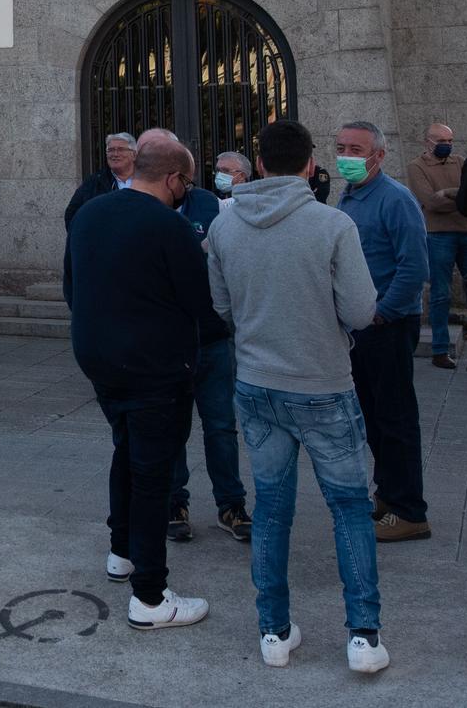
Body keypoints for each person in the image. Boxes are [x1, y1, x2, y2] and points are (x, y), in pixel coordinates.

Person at [208, 119, 388, 673]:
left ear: (259, 164)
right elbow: (360, 311)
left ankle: (274, 632)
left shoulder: (224, 226)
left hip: (257, 384)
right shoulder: (331, 224)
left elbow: (221, 308)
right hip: (322, 385)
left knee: (270, 510)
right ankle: (362, 636)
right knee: (351, 509)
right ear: (311, 165)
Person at [65, 137, 211, 630]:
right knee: (153, 474)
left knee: (125, 451)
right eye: (185, 184)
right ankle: (150, 597)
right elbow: (199, 302)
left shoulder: (89, 212)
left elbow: (71, 286)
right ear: (172, 179)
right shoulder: (170, 226)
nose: (183, 193)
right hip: (153, 367)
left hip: (101, 359)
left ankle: (120, 551)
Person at [331, 120, 431, 543]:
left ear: (379, 155)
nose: (347, 156)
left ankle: (410, 511)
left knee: (394, 417)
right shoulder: (348, 197)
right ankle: (388, 496)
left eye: (357, 149)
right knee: (372, 417)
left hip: (386, 325)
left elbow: (414, 267)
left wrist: (382, 312)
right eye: (342, 147)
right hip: (359, 326)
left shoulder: (396, 199)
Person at [407, 122, 467, 369]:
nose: (446, 145)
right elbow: (429, 202)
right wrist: (460, 199)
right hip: (438, 235)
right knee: (440, 293)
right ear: (428, 142)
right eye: (441, 141)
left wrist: (447, 193)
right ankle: (439, 350)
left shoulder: (460, 162)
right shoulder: (417, 167)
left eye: (449, 141)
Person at [64, 132, 138, 226]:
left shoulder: (149, 179)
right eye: (111, 150)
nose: (115, 154)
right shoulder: (94, 182)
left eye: (121, 149)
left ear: (134, 154)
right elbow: (72, 213)